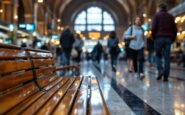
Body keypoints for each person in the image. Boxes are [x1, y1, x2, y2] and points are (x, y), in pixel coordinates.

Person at [152, 3, 177, 82]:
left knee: (158, 56)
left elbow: (153, 27)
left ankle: (161, 70)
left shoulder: (156, 16)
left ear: (159, 8)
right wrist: (172, 39)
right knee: (167, 58)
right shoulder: (171, 16)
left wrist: (154, 37)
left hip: (159, 38)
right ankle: (166, 76)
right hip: (168, 39)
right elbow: (175, 29)